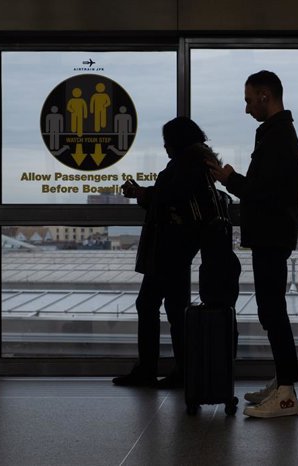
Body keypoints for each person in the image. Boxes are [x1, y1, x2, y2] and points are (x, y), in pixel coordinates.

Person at [209, 70, 298, 418]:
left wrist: (229, 178)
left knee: (273, 312)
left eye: (250, 99)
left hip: (271, 236)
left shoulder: (277, 137)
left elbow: (262, 191)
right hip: (274, 235)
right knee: (272, 310)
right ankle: (282, 381)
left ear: (265, 95)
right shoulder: (277, 134)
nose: (247, 108)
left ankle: (286, 393)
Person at [113, 117, 216, 389]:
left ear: (177, 141)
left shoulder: (186, 165)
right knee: (174, 309)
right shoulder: (199, 162)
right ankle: (181, 369)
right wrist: (146, 194)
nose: (165, 146)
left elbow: (170, 198)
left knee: (148, 305)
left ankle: (150, 368)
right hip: (180, 248)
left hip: (170, 248)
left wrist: (141, 194)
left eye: (167, 141)